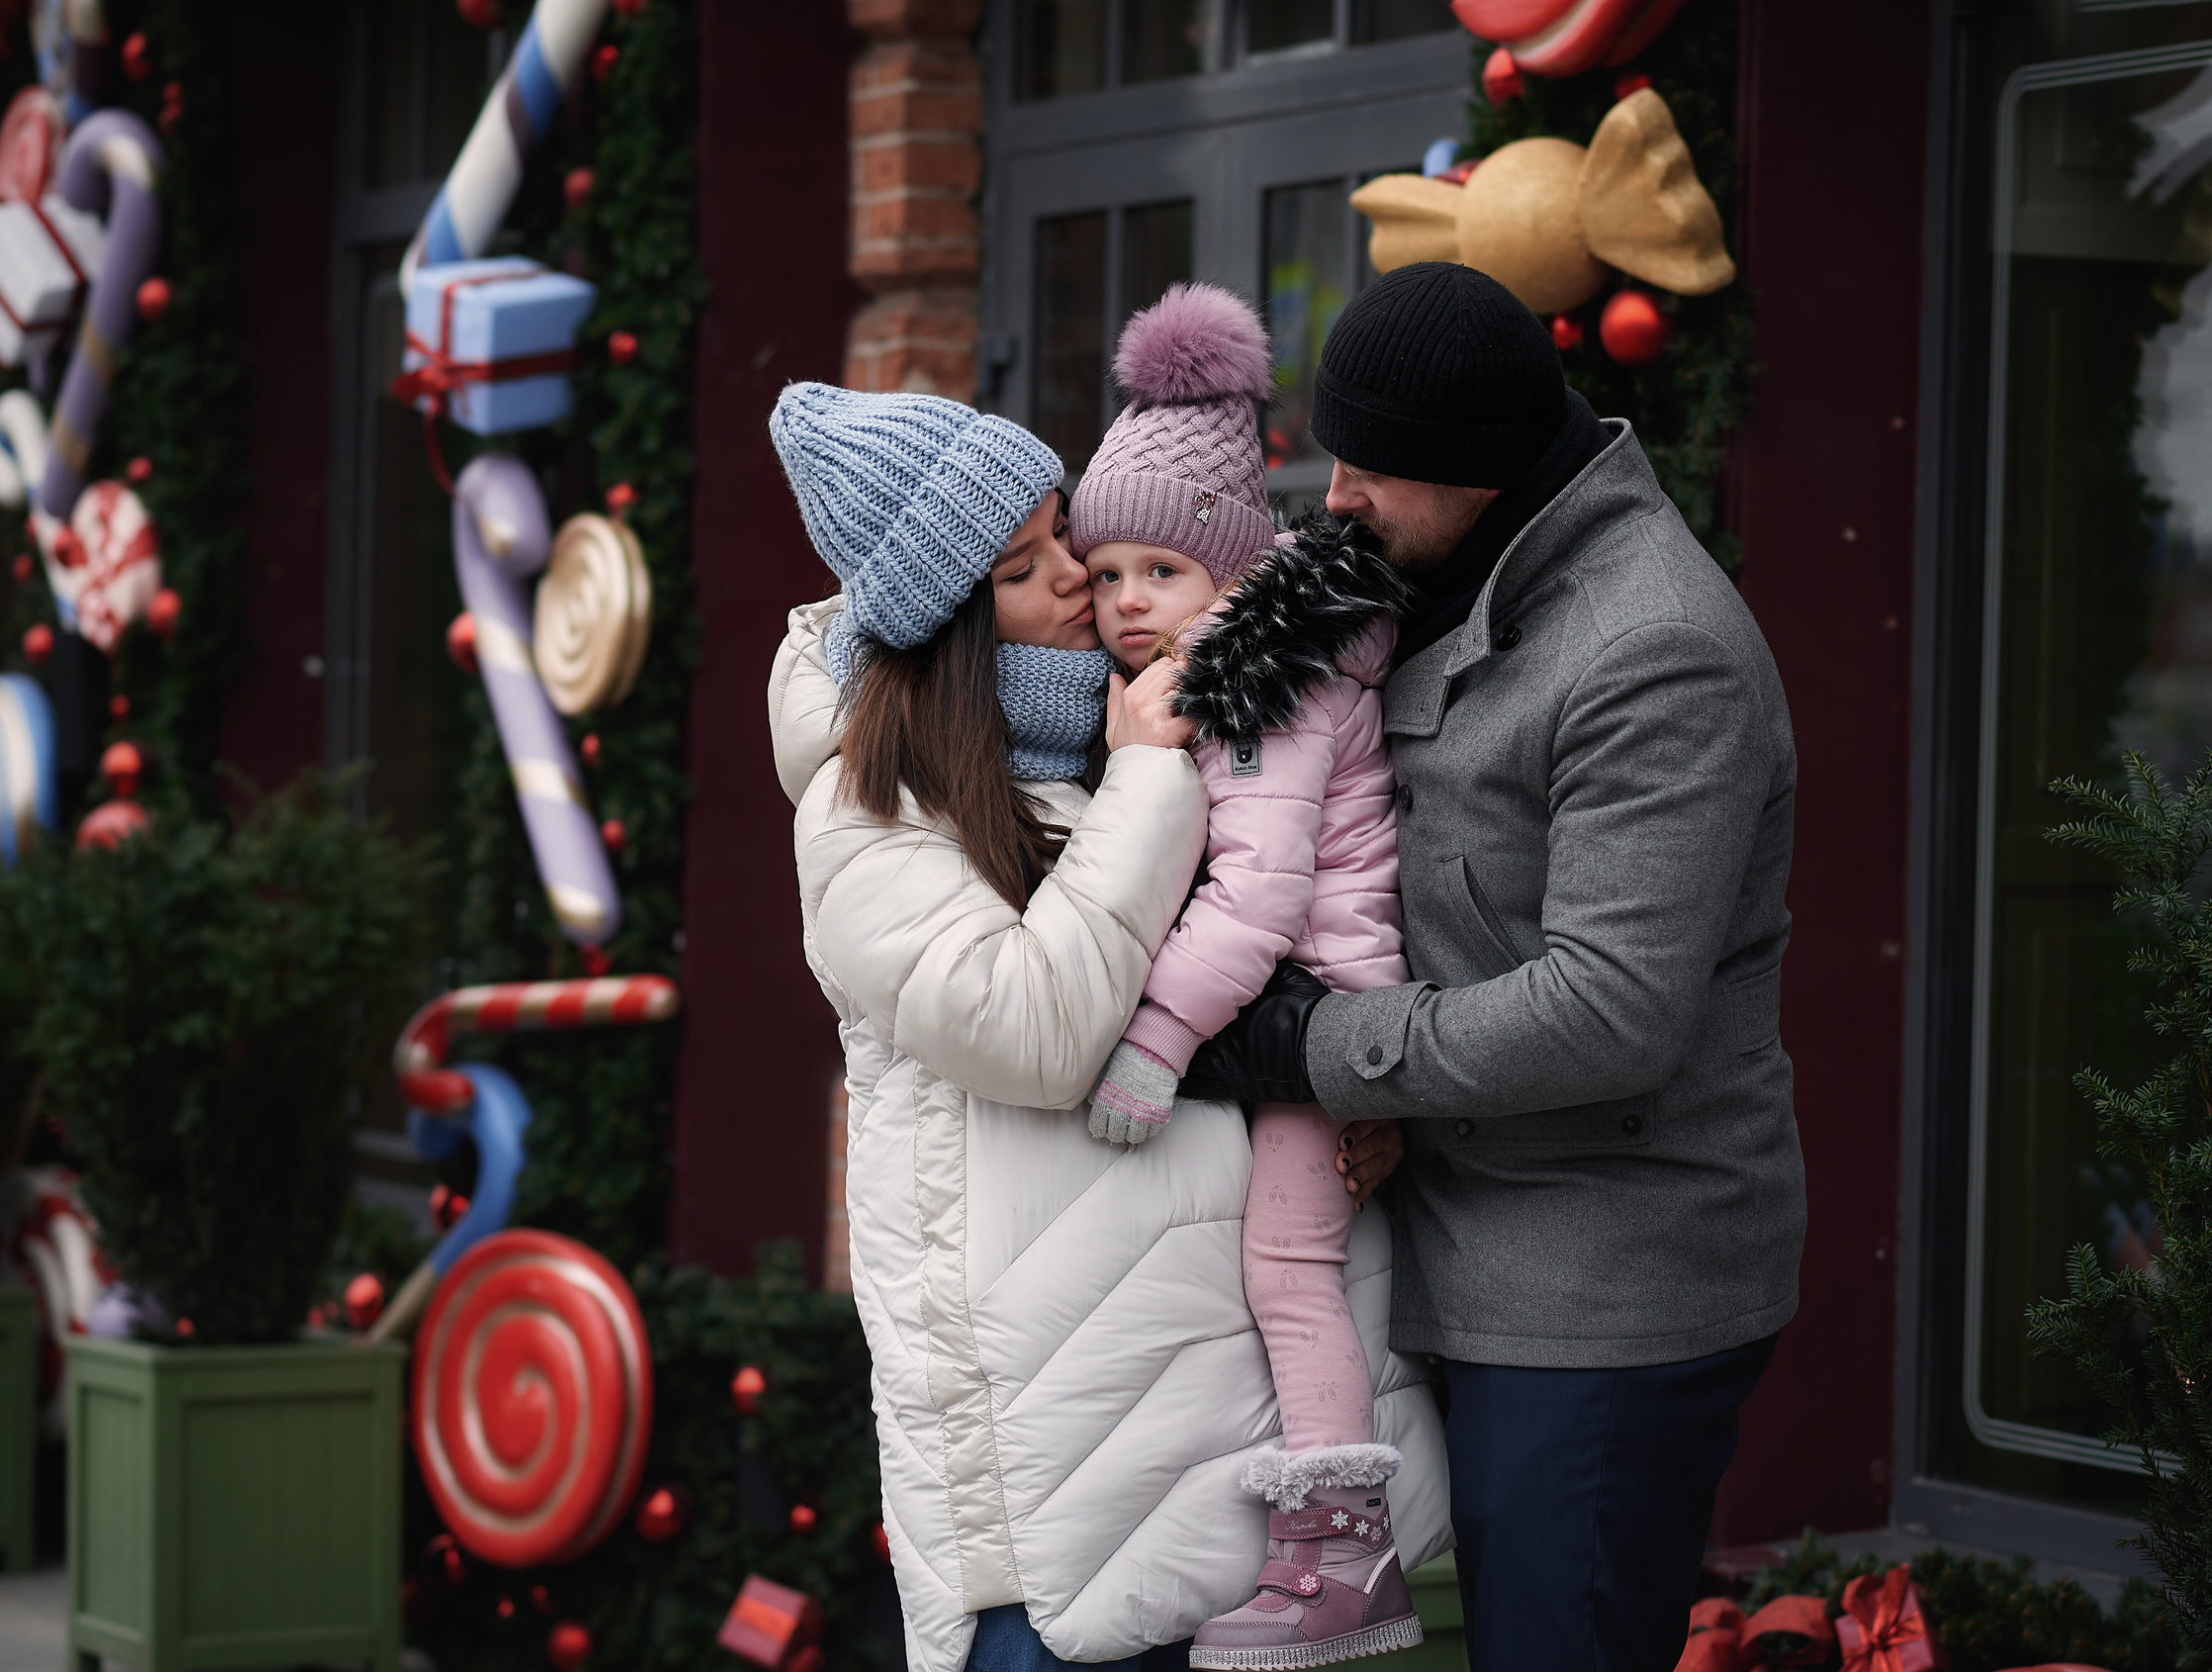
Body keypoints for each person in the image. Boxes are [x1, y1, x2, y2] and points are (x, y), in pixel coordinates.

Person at [1175, 261, 1807, 1672]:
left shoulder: (1654, 649)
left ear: (1484, 469)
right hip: (1457, 1233)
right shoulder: (1431, 560)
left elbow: (1607, 1012)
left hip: (1604, 1273)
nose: (1336, 493)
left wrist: (1305, 1045)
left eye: (1376, 466)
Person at [764, 383, 1441, 1672]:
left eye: (1062, 533)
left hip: (1214, 1485)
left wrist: (1346, 1102)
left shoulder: (1086, 754)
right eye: (1028, 568)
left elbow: (1249, 974)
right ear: (954, 627)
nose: (1083, 579)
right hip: (1055, 1520)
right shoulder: (867, 817)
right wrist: (1145, 775)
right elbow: (1035, 1031)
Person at [1066, 283, 1423, 1671]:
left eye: (1158, 572)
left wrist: (1154, 1033)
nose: (1124, 603)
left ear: (1226, 565)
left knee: (1287, 1266)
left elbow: (1260, 897)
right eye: (1104, 577)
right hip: (1305, 1007)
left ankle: (1345, 1559)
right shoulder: (1223, 670)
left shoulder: (1266, 685)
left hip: (1328, 1010)